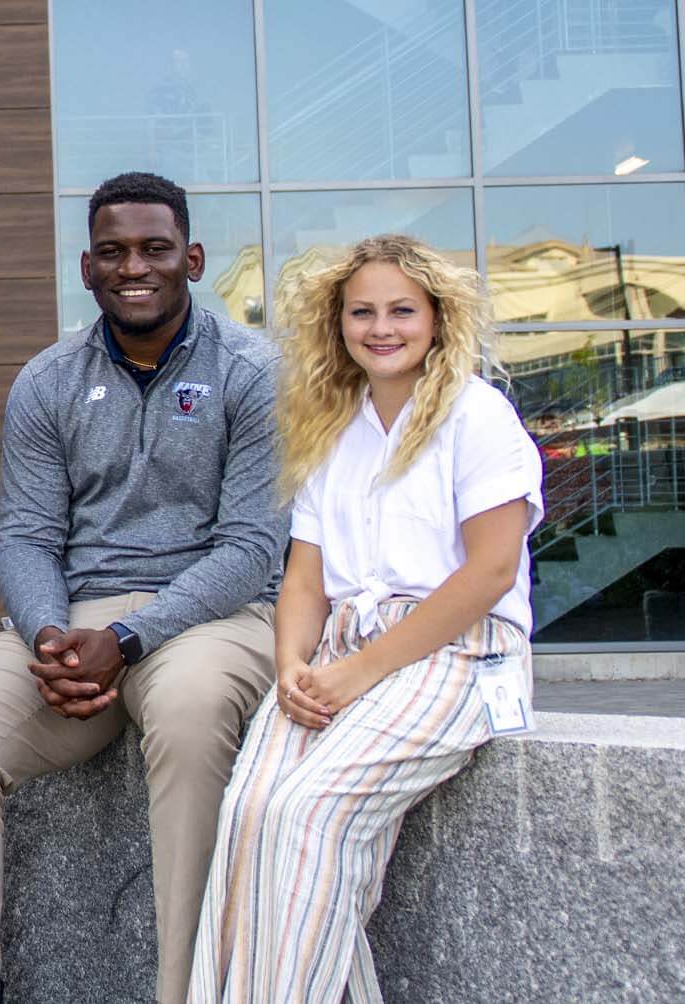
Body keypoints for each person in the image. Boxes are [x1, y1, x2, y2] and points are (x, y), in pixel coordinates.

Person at [0, 171, 286, 1004]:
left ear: (191, 258)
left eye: (155, 249)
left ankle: (187, 994)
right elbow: (28, 537)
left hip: (217, 615)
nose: (134, 267)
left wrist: (126, 641)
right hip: (75, 622)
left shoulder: (257, 372)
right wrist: (48, 636)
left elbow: (254, 546)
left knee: (189, 717)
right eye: (112, 252)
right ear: (86, 269)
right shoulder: (48, 379)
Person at [189, 234, 544, 1004]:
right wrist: (292, 667)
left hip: (458, 654)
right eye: (363, 313)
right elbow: (305, 579)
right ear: (338, 324)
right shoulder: (332, 426)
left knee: (309, 810)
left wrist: (354, 673)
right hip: (341, 654)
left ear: (439, 318)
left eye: (402, 311)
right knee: (251, 810)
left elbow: (489, 573)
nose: (382, 328)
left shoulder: (478, 416)